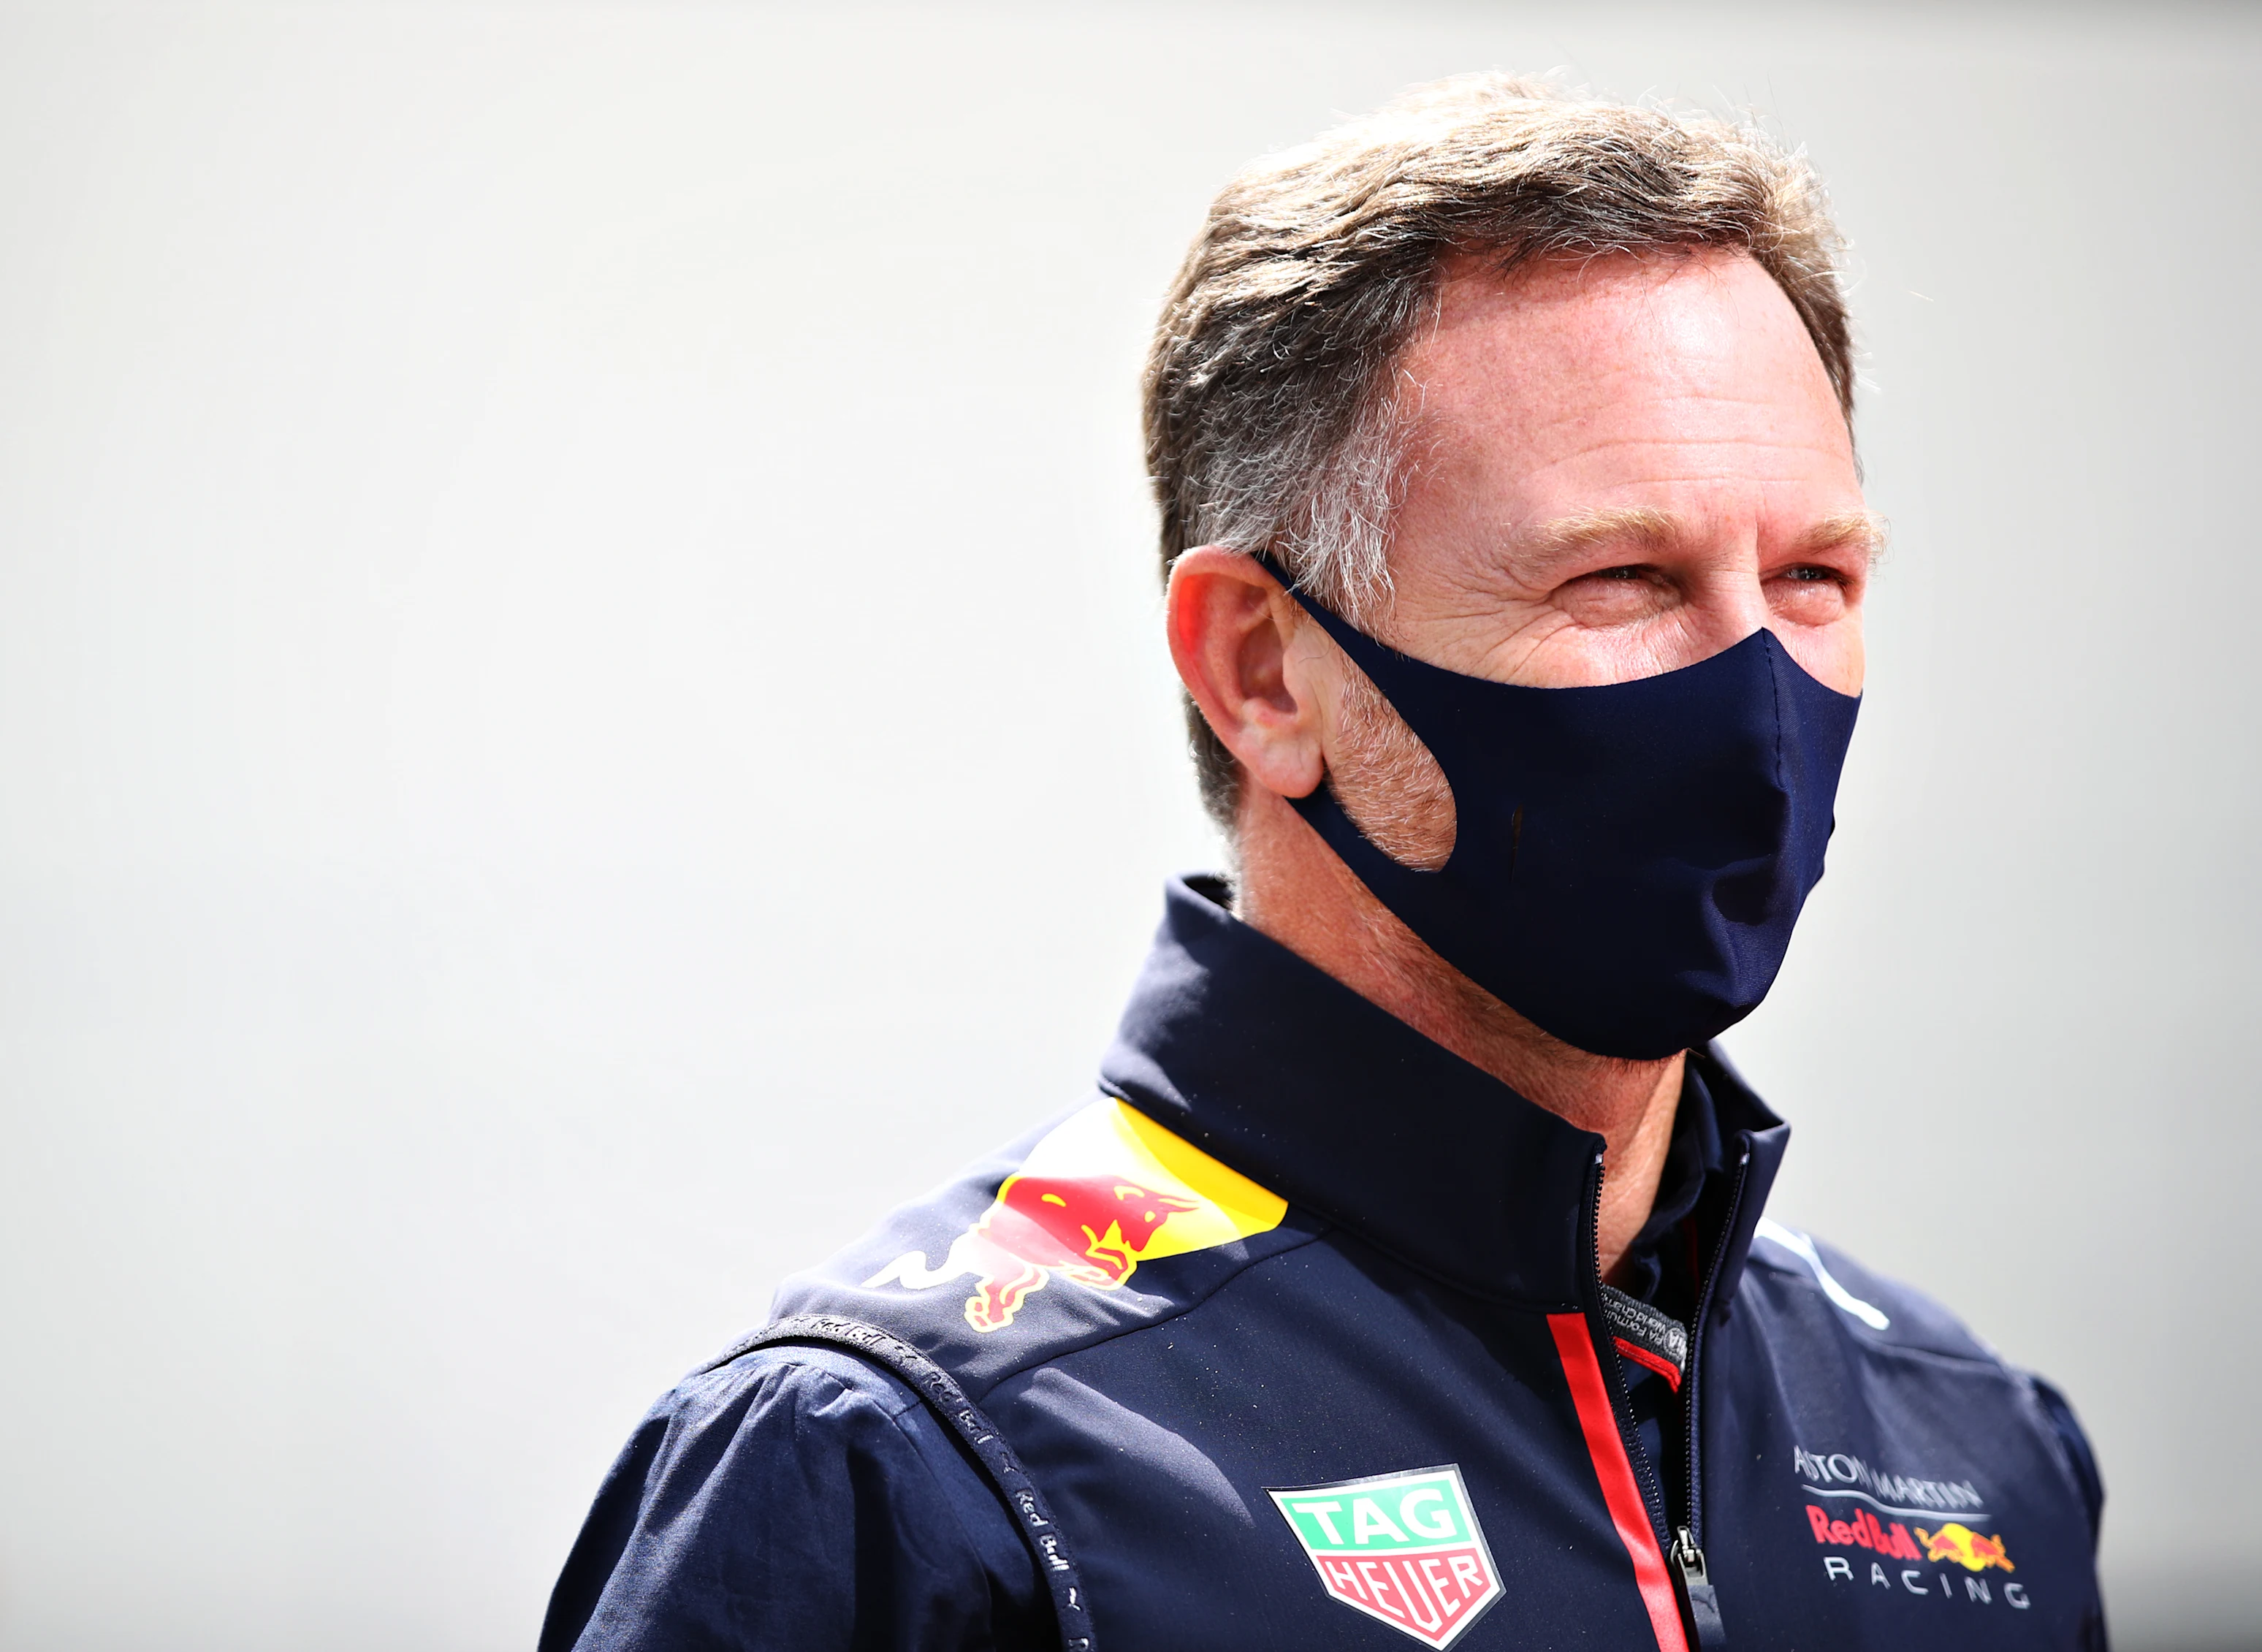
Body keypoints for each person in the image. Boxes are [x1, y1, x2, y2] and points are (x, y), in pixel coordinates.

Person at [538, 75, 2104, 1652]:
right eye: (1621, 576)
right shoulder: (907, 1465)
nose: (1754, 687)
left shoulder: (1974, 1454)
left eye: (1812, 575)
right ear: (1264, 670)